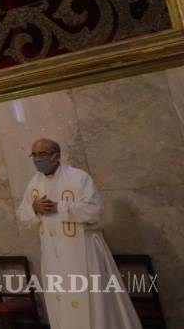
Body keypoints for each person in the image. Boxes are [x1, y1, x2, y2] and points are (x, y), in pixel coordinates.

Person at [16, 139, 141, 328]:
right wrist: (34, 208)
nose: (36, 159)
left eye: (41, 154)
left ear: (55, 156)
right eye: (33, 155)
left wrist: (60, 207)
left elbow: (95, 210)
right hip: (52, 254)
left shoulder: (79, 178)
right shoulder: (34, 183)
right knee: (61, 299)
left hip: (83, 250)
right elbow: (22, 215)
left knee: (91, 299)